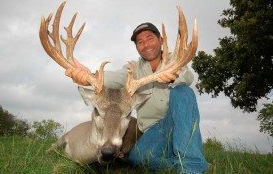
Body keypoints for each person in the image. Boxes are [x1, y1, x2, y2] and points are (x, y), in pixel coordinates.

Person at [66, 22, 208, 173]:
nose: (145, 44)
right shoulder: (132, 69)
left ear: (161, 40)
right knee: (138, 159)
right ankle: (178, 164)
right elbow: (113, 78)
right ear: (137, 47)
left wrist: (173, 77)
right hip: (153, 132)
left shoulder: (174, 62)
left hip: (179, 125)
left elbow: (187, 76)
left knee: (183, 92)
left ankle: (192, 168)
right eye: (140, 42)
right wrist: (88, 76)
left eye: (150, 38)